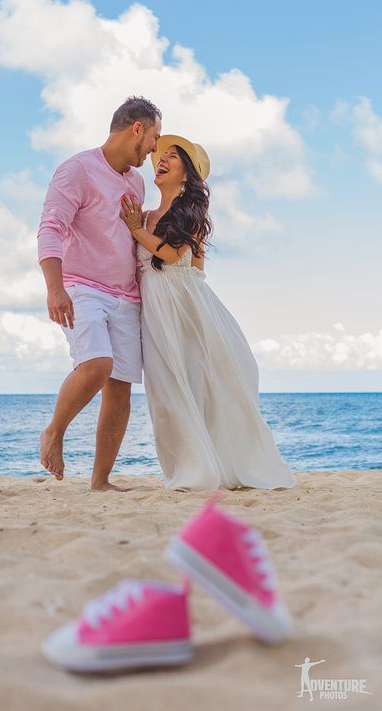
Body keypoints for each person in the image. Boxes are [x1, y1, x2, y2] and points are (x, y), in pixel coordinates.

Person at [120, 135, 296, 490]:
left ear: (188, 174)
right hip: (155, 308)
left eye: (173, 156)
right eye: (162, 155)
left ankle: (203, 471)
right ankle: (189, 468)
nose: (162, 159)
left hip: (185, 308)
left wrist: (136, 229)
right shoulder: (148, 215)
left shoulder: (190, 214)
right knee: (164, 392)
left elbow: (170, 256)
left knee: (196, 385)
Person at [37, 96, 162, 491]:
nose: (155, 148)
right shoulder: (77, 170)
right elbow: (50, 228)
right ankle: (54, 431)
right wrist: (55, 289)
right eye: (154, 137)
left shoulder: (137, 182)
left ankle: (100, 481)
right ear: (136, 129)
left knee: (120, 390)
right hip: (82, 287)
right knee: (96, 364)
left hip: (127, 296)